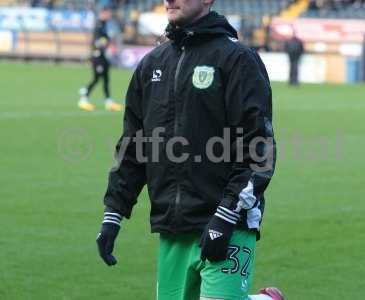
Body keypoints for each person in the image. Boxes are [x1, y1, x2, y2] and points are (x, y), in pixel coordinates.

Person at [96, 1, 281, 299]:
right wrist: (113, 213)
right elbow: (134, 147)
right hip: (173, 225)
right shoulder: (151, 64)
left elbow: (258, 147)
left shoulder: (237, 59)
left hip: (228, 221)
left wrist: (226, 215)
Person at [78, 8, 123, 112]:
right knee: (96, 78)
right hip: (97, 57)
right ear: (102, 14)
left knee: (106, 79)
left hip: (103, 57)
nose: (109, 15)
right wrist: (106, 43)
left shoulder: (104, 25)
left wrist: (108, 44)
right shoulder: (99, 26)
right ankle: (83, 98)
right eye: (107, 13)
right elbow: (97, 42)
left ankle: (109, 102)